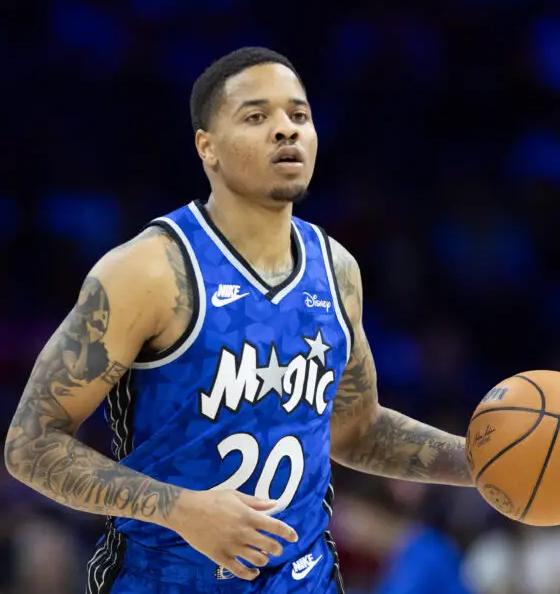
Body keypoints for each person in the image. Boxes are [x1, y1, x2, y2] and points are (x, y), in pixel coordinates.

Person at [4, 47, 473, 594]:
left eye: (299, 116)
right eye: (257, 117)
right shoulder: (151, 270)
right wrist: (181, 510)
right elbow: (30, 444)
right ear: (208, 148)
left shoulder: (337, 269)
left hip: (306, 581)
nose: (285, 131)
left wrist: (479, 465)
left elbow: (355, 430)